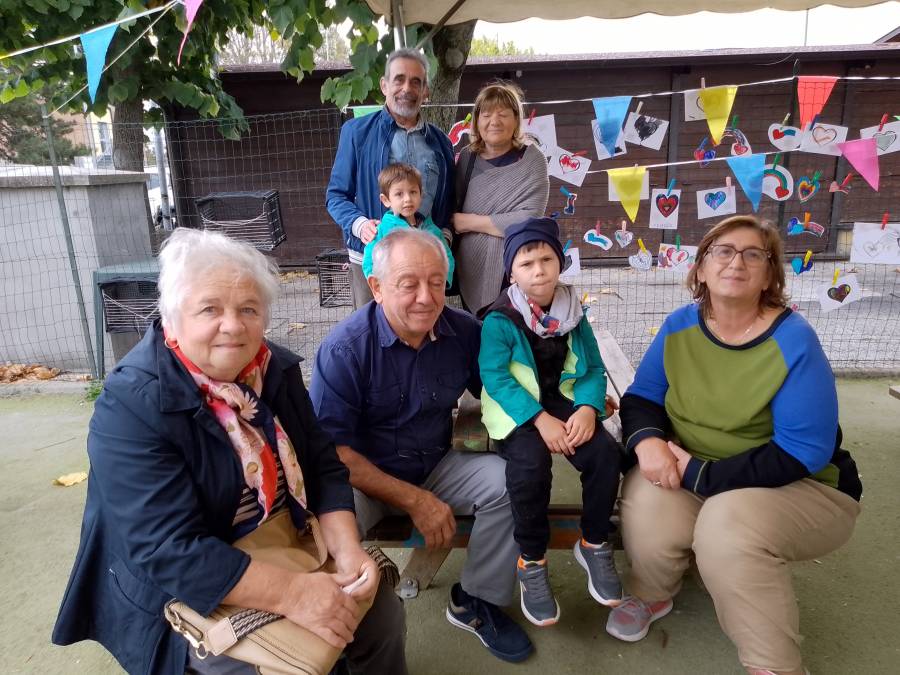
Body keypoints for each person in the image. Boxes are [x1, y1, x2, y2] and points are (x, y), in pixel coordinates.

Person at [52, 229, 407, 675]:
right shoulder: (131, 403)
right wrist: (295, 595)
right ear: (172, 316)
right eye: (210, 309)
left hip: (281, 543)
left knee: (382, 615)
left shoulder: (273, 367)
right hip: (182, 589)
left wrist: (348, 550)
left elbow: (323, 466)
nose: (234, 325)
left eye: (248, 309)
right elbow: (168, 550)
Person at [611, 215, 863, 675]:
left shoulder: (794, 339)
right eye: (723, 251)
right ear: (701, 268)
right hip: (696, 470)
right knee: (645, 494)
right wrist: (647, 442)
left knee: (726, 529)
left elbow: (803, 451)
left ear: (770, 276)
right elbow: (643, 397)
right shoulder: (679, 326)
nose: (736, 262)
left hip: (800, 485)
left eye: (753, 254)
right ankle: (652, 593)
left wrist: (701, 476)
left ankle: (774, 664)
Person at [309, 228, 534, 663]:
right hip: (363, 481)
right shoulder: (344, 350)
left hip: (435, 466)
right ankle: (335, 638)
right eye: (408, 284)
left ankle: (476, 600)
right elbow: (334, 453)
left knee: (511, 481)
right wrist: (415, 501)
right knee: (325, 531)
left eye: (436, 282)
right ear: (376, 287)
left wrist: (576, 401)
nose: (426, 298)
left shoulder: (465, 332)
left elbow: (507, 387)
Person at [479, 217, 623, 627]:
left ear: (561, 264)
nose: (538, 271)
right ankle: (532, 559)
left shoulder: (573, 312)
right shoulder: (500, 319)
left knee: (604, 454)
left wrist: (587, 408)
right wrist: (540, 420)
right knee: (530, 466)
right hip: (518, 409)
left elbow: (592, 367)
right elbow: (496, 377)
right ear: (512, 273)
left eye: (546, 260)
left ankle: (593, 541)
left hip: (563, 401)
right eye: (526, 264)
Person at [327, 48, 455, 309]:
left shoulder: (441, 143)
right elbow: (336, 196)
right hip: (373, 259)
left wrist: (445, 236)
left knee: (422, 324)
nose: (407, 88)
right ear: (384, 85)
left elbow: (449, 200)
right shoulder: (356, 133)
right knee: (372, 329)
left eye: (416, 82)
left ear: (426, 91)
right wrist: (360, 225)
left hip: (425, 260)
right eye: (399, 79)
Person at [453, 81, 549, 314]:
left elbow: (530, 218)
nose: (494, 121)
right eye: (486, 115)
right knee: (474, 329)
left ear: (516, 119)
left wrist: (469, 222)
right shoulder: (467, 158)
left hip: (514, 267)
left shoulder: (532, 160)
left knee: (510, 327)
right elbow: (453, 206)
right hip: (470, 265)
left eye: (503, 114)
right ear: (477, 121)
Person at [361, 162, 455, 286]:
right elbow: (369, 260)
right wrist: (381, 286)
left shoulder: (432, 231)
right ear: (386, 200)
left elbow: (446, 257)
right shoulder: (382, 231)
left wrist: (442, 282)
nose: (408, 199)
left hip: (426, 289)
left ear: (421, 195)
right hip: (397, 290)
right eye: (399, 194)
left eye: (413, 192)